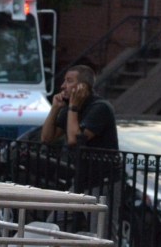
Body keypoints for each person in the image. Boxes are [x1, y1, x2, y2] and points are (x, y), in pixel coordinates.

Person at [41, 63, 121, 231]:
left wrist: (73, 107)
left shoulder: (100, 107)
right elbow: (47, 138)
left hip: (102, 182)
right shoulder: (70, 109)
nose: (63, 86)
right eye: (64, 81)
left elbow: (75, 140)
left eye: (69, 81)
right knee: (51, 226)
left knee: (101, 233)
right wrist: (55, 108)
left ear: (82, 86)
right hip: (80, 180)